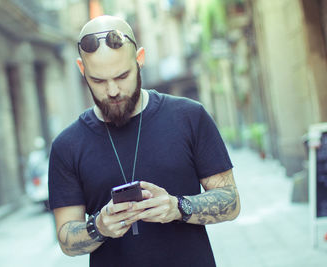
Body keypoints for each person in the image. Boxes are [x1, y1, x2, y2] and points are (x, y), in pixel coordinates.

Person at [48, 15, 240, 267]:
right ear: (82, 69)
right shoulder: (67, 145)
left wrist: (177, 207)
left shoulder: (190, 117)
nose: (113, 90)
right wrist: (99, 226)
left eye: (122, 76)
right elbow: (66, 240)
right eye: (98, 80)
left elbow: (231, 201)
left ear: (140, 59)